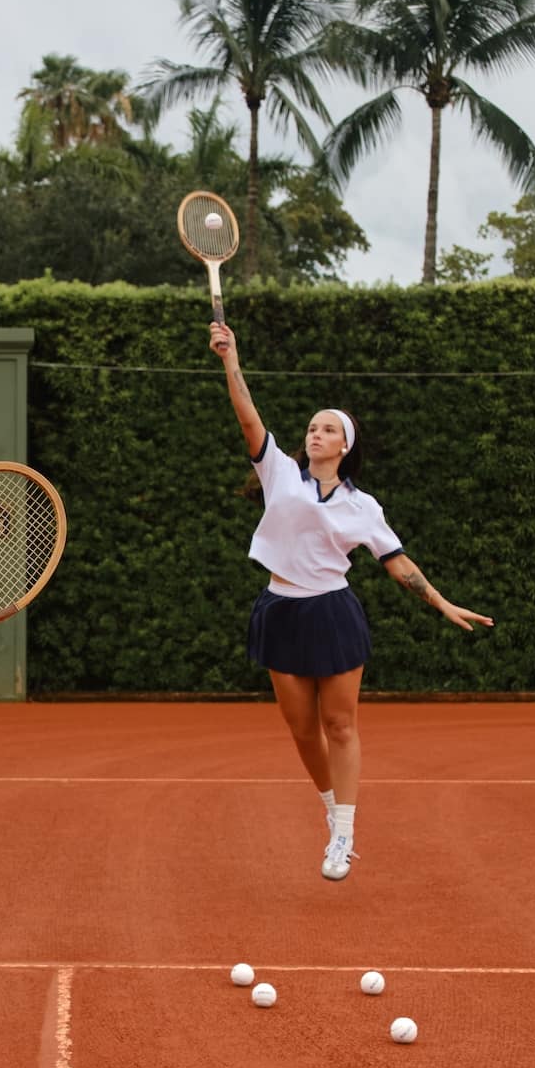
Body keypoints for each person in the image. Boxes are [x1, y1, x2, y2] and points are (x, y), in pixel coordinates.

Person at [210, 319, 493, 881]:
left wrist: (441, 602)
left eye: (327, 430)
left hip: (332, 613)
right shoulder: (279, 474)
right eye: (312, 427)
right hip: (279, 610)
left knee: (340, 725)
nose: (315, 434)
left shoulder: (363, 506)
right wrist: (230, 359)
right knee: (299, 729)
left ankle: (344, 830)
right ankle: (329, 807)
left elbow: (398, 564)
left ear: (345, 446)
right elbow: (248, 417)